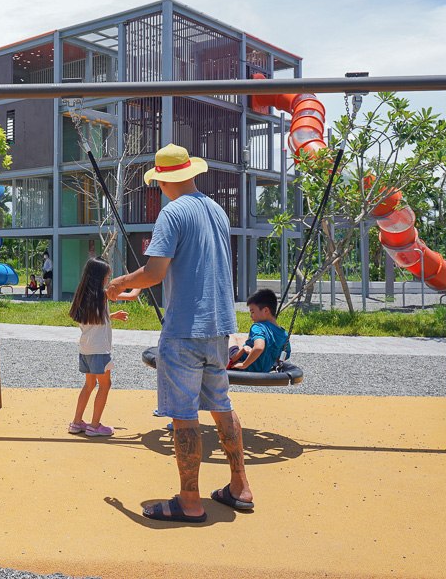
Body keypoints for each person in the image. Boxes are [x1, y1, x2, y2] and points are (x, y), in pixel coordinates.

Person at [106, 143, 254, 523]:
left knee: (184, 416)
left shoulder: (171, 213)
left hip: (184, 329)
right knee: (222, 407)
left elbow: (155, 271)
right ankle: (239, 486)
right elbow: (187, 265)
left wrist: (120, 282)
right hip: (219, 327)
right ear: (190, 173)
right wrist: (140, 287)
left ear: (161, 182)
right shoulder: (216, 210)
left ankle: (190, 501)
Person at [67, 257, 141, 437]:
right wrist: (141, 281)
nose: (108, 280)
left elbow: (93, 319)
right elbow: (132, 296)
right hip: (100, 350)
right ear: (100, 277)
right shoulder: (103, 293)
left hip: (86, 349)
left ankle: (76, 423)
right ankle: (94, 425)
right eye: (108, 277)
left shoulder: (83, 293)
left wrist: (111, 316)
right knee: (105, 385)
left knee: (89, 385)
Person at [227, 288, 290, 373]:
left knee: (229, 335)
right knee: (240, 338)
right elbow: (285, 355)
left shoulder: (258, 327)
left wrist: (244, 364)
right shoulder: (283, 333)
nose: (251, 316)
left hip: (240, 365)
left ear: (265, 311)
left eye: (252, 312)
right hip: (264, 369)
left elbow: (259, 347)